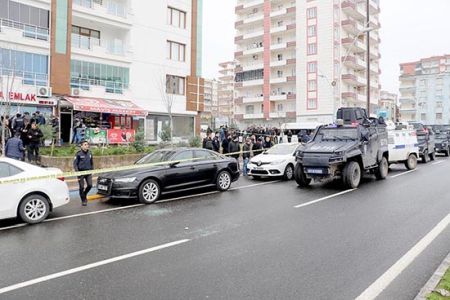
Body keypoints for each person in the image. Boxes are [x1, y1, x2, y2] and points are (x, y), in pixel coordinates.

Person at [73, 140, 94, 206]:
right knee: (81, 187)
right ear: (81, 146)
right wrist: (77, 172)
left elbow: (92, 162)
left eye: (87, 145)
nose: (87, 146)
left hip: (88, 172)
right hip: (81, 173)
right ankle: (83, 200)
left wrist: (92, 170)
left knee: (90, 185)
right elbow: (75, 164)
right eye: (85, 145)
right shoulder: (78, 154)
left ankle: (84, 194)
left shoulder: (90, 153)